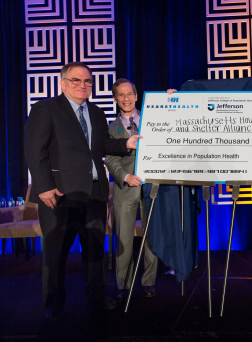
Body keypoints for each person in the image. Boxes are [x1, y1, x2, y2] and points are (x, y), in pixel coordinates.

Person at [24, 62, 141, 322]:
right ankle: (53, 302)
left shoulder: (97, 113)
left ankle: (96, 297)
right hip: (59, 195)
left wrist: (127, 143)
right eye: (76, 80)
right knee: (55, 254)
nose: (83, 85)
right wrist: (43, 187)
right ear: (63, 83)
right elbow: (35, 151)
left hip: (94, 195)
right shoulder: (46, 109)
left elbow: (103, 145)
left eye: (87, 81)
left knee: (94, 252)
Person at [105, 79, 158, 301]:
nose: (126, 98)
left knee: (151, 237)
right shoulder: (111, 127)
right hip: (125, 188)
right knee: (124, 239)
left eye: (130, 94)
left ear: (136, 96)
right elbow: (110, 158)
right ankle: (123, 284)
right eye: (121, 95)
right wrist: (126, 177)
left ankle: (149, 282)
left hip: (152, 187)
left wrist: (171, 99)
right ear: (116, 99)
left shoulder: (153, 119)